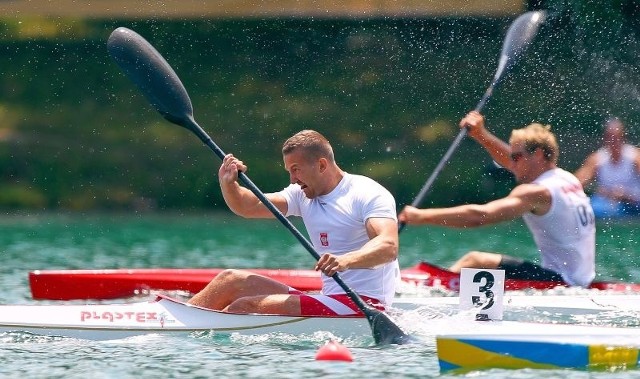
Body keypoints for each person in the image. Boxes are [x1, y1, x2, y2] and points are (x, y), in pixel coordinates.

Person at [188, 129, 400, 316]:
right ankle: (173, 322)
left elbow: (388, 246)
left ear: (322, 165)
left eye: (296, 169)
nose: (292, 179)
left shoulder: (366, 194)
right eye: (289, 171)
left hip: (364, 304)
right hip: (331, 300)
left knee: (245, 307)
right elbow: (247, 206)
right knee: (230, 280)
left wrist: (345, 261)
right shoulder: (301, 194)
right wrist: (228, 183)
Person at [398, 111, 596, 287]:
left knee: (474, 261)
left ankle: (428, 292)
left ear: (537, 155)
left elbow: (481, 216)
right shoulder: (567, 179)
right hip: (581, 278)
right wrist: (480, 135)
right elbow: (510, 159)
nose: (511, 162)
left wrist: (421, 216)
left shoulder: (536, 192)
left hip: (562, 281)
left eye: (516, 156)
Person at [574, 117, 640, 218]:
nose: (614, 141)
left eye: (617, 138)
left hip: (633, 205)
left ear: (623, 138)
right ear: (605, 139)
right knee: (586, 209)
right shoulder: (597, 159)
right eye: (610, 138)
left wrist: (627, 195)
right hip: (605, 204)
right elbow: (577, 183)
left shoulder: (635, 157)